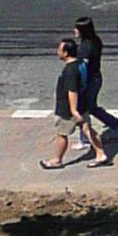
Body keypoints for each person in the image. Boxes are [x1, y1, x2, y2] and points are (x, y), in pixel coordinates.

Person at [73, 11, 116, 163]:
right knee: (88, 108)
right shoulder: (96, 40)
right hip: (96, 78)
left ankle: (88, 137)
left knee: (84, 109)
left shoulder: (85, 47)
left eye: (77, 28)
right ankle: (85, 137)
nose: (74, 31)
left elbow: (82, 68)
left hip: (89, 81)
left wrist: (78, 84)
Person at [41, 36, 89, 170]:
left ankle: (57, 160)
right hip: (82, 103)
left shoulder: (70, 70)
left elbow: (72, 90)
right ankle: (100, 153)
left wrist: (73, 110)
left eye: (59, 49)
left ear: (66, 53)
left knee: (62, 133)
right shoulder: (80, 64)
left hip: (68, 109)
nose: (57, 52)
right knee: (88, 129)